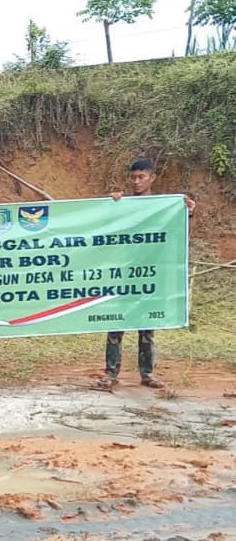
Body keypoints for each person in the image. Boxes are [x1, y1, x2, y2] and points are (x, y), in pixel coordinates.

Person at [99, 159, 197, 390]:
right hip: (122, 273)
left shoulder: (163, 206)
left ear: (152, 178)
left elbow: (181, 234)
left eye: (141, 177)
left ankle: (147, 373)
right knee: (116, 322)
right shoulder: (123, 203)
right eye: (133, 177)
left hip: (151, 273)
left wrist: (189, 213)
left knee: (147, 325)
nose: (136, 181)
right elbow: (104, 228)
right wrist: (111, 204)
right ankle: (111, 373)